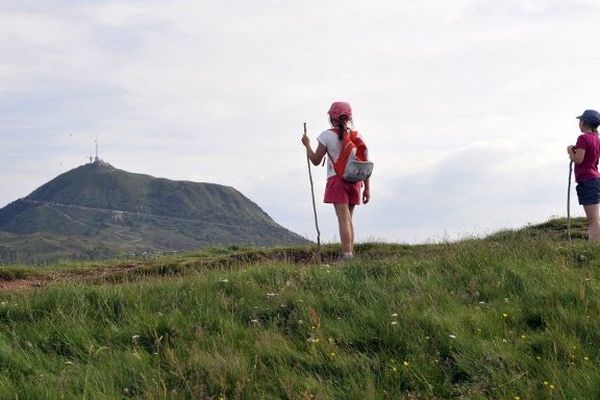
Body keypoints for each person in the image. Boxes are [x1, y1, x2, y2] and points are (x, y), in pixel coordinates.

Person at [301, 101, 371, 259]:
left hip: (337, 180)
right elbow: (365, 163)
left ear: (331, 118)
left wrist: (307, 145)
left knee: (343, 219)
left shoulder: (326, 136)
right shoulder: (356, 136)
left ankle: (347, 255)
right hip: (355, 181)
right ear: (349, 118)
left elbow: (315, 160)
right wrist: (367, 188)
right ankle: (349, 253)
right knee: (348, 219)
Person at [567, 109, 600, 241]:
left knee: (592, 221)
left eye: (580, 120)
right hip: (595, 178)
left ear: (584, 122)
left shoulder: (582, 138)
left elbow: (579, 160)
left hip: (587, 180)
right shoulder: (597, 139)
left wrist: (570, 151)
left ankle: (595, 248)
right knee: (595, 218)